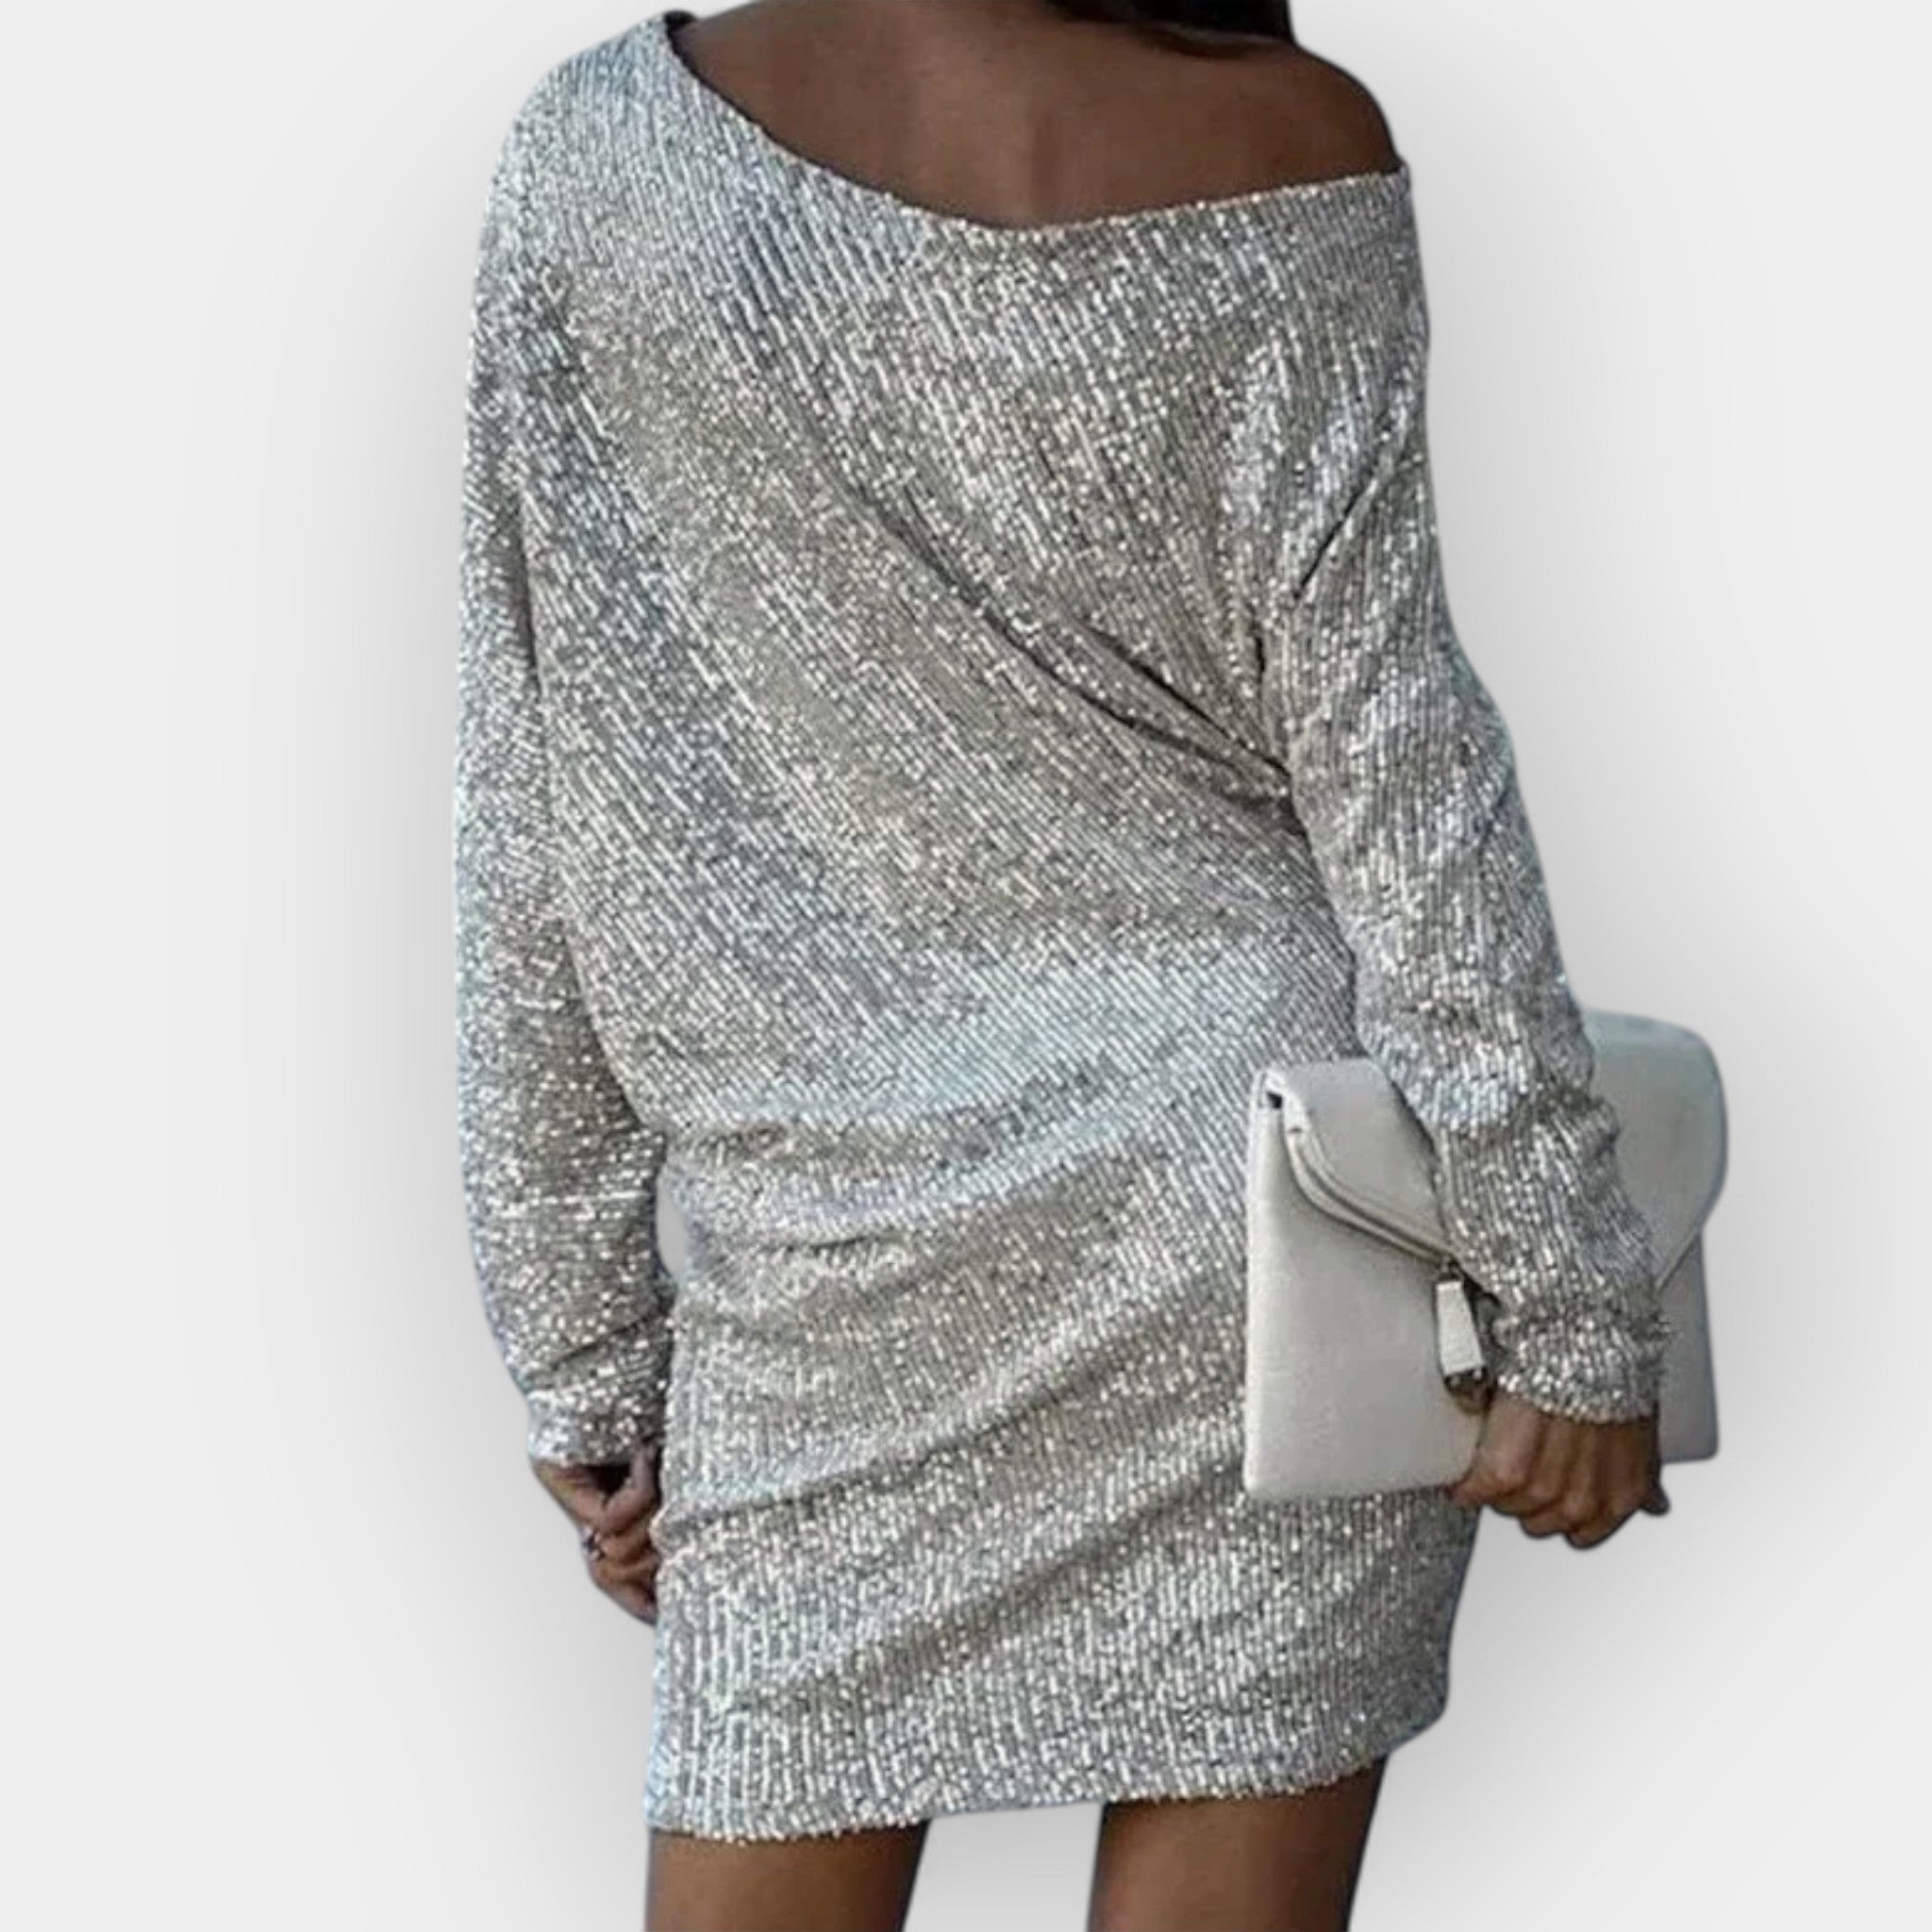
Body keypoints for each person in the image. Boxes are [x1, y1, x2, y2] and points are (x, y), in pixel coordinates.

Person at [451, 3, 1671, 1926]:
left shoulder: (602, 148)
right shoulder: (1286, 133)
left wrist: (584, 1350)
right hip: (1257, 1229)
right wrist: (1574, 1297)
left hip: (842, 1264)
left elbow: (537, 782)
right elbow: (1401, 774)